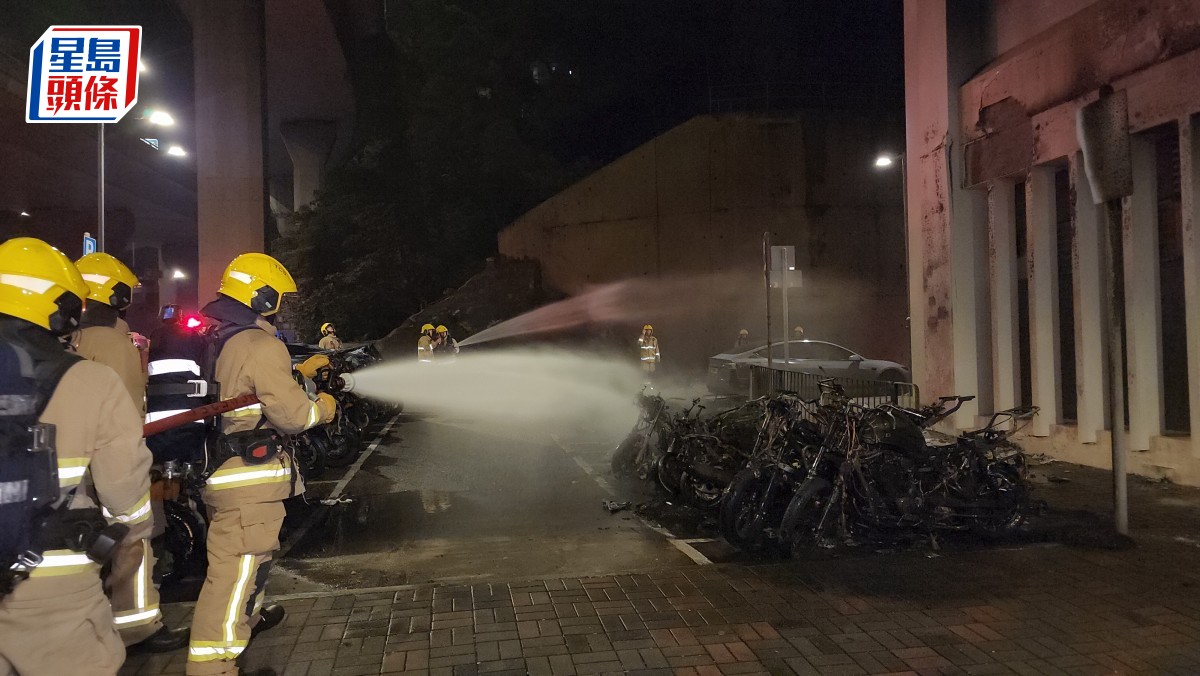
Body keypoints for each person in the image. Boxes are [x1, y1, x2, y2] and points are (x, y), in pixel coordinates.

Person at [0, 238, 154, 674]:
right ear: (60, 307)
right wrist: (134, 536)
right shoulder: (88, 380)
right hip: (50, 582)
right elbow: (125, 495)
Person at [187, 253, 337, 676]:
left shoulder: (220, 339)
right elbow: (293, 416)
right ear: (262, 295)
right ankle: (213, 665)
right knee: (233, 576)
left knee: (248, 563)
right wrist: (323, 406)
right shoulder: (259, 344)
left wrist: (297, 371)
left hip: (221, 473)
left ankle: (247, 623)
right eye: (277, 298)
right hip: (247, 482)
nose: (279, 306)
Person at [73, 252, 189, 652]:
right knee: (134, 542)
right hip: (113, 464)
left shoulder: (69, 339)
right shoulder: (113, 341)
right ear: (116, 294)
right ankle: (138, 628)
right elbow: (125, 410)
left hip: (72, 469)